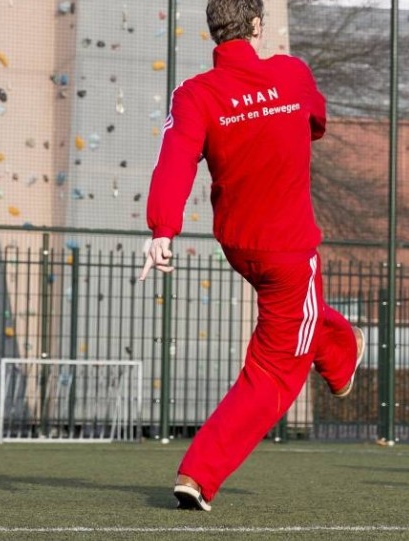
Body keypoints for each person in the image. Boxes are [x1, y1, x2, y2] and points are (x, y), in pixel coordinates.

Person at [138, 0, 363, 511]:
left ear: (214, 31)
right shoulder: (291, 73)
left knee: (298, 319)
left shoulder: (195, 93)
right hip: (288, 250)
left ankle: (341, 354)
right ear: (257, 25)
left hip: (241, 248)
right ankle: (199, 473)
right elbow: (317, 121)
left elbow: (174, 161)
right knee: (277, 371)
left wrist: (162, 230)